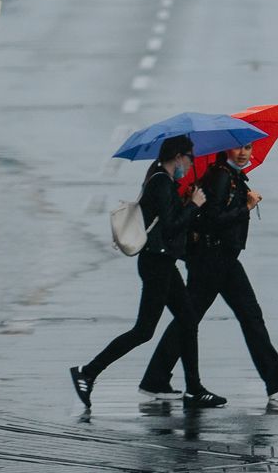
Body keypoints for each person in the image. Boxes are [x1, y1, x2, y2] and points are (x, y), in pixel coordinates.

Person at [139, 143, 278, 402]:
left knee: (240, 315)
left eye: (248, 148)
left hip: (221, 259)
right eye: (237, 148)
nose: (243, 153)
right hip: (212, 259)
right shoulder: (220, 176)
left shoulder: (230, 176)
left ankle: (156, 378)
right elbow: (212, 219)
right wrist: (247, 207)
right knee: (202, 318)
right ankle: (275, 379)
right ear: (225, 151)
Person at [70, 135, 227, 409]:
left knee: (188, 320)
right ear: (178, 156)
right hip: (157, 264)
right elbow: (170, 227)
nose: (191, 164)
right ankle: (88, 372)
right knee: (144, 330)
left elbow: (169, 220)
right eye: (190, 158)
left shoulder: (161, 180)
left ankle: (194, 389)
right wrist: (193, 205)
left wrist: (187, 202)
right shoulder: (161, 183)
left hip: (162, 262)